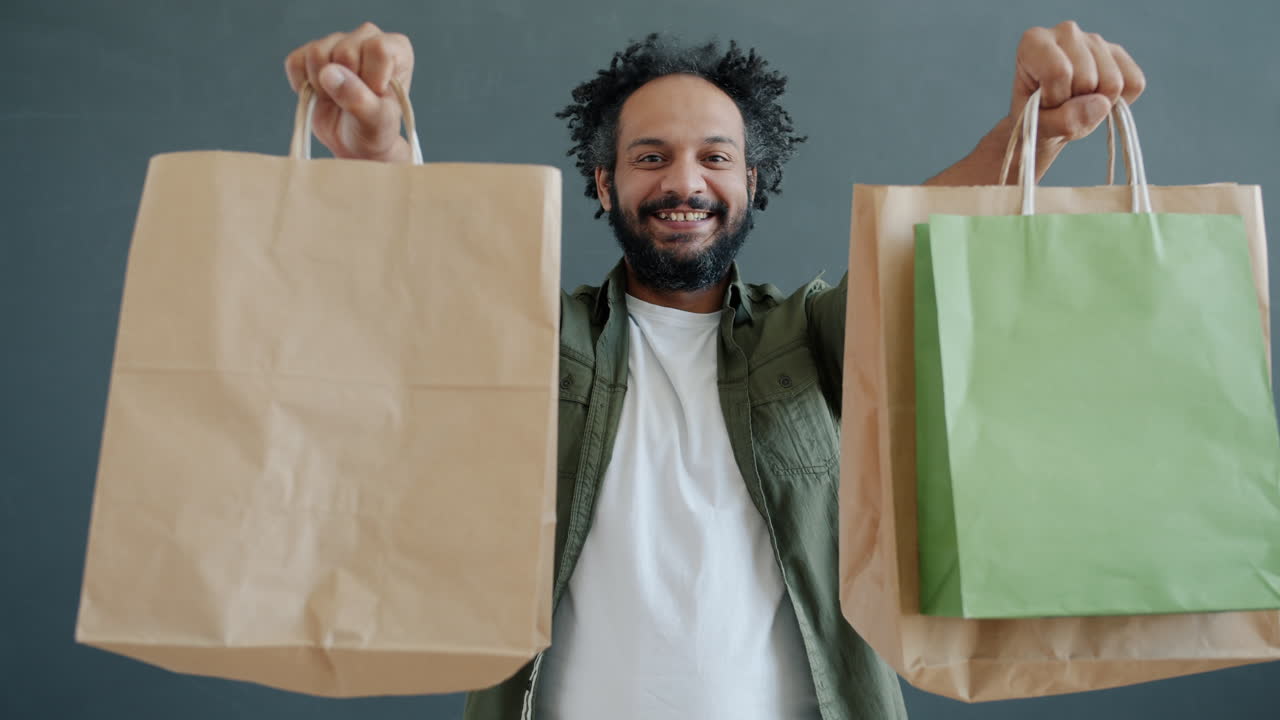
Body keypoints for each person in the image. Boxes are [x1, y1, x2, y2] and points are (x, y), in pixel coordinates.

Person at [284, 22, 1145, 720]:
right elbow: (444, 281)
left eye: (715, 157)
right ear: (604, 183)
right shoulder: (541, 337)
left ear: (751, 181)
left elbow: (918, 253)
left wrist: (1031, 134)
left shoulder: (808, 337)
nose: (684, 182)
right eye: (650, 156)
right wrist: (379, 156)